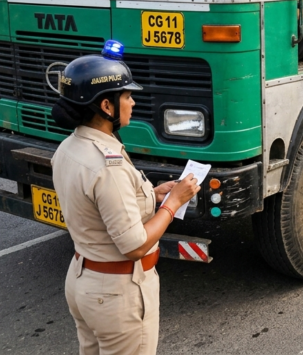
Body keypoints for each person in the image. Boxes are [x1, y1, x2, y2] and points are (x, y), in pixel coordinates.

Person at [51, 41, 200, 354]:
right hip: (117, 295)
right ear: (107, 106)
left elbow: (99, 205)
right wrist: (173, 204)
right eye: (127, 96)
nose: (132, 103)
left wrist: (154, 193)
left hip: (83, 281)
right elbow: (134, 245)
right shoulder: (107, 164)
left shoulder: (69, 148)